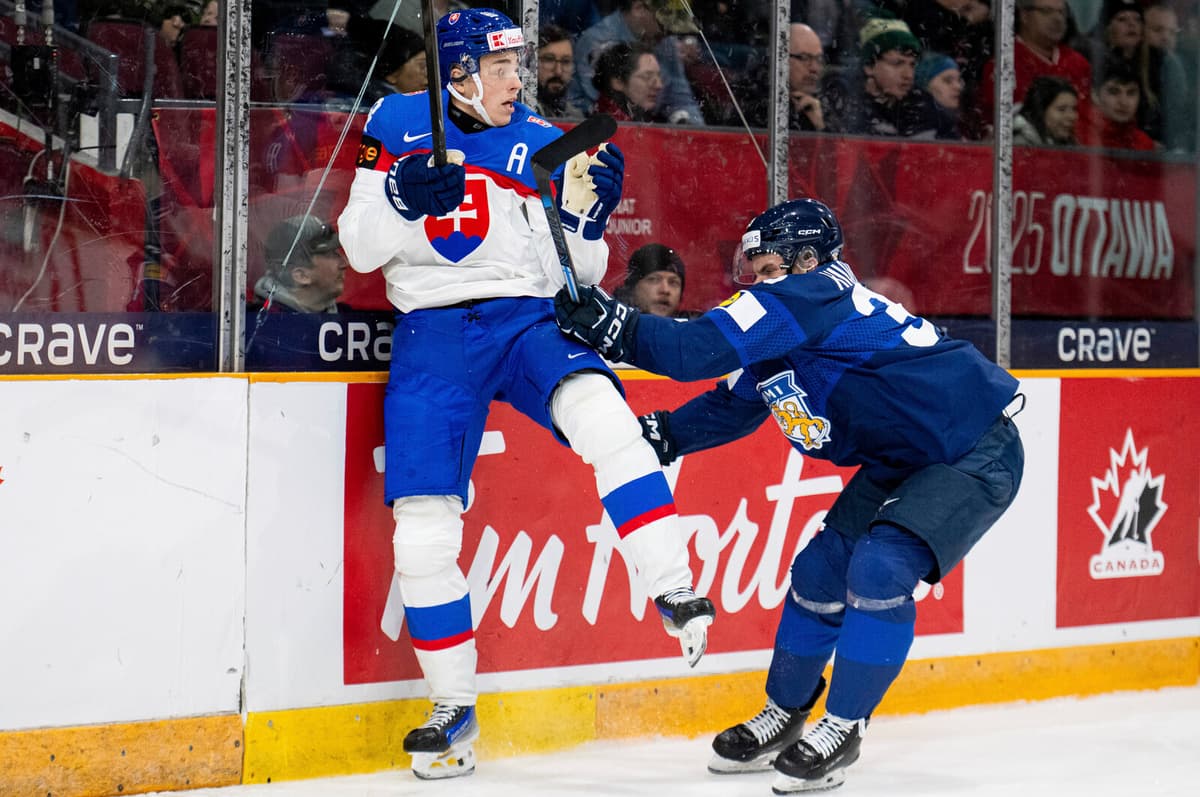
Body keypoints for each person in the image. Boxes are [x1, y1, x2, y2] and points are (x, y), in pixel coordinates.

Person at [336, 8, 715, 781]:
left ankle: (673, 586)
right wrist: (401, 196)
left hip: (526, 318)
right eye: (506, 66)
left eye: (521, 65)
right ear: (462, 70)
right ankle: (453, 707)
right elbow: (359, 247)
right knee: (421, 531)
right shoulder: (398, 120)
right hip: (433, 333)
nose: (522, 80)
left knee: (610, 422)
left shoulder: (546, 140)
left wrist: (586, 215)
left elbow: (579, 268)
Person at [553, 197, 1024, 793]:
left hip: (971, 448)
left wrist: (613, 324)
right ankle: (786, 714)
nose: (755, 279)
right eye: (752, 267)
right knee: (818, 575)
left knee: (880, 570)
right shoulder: (794, 317)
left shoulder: (814, 295)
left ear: (807, 259)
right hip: (907, 456)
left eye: (768, 264)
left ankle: (844, 726)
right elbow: (736, 404)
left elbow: (692, 352)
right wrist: (665, 435)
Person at [569, 0, 706, 124]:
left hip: (649, 125)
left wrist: (697, 134)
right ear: (639, 8)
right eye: (664, 24)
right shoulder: (596, 42)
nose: (669, 33)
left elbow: (681, 98)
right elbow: (601, 103)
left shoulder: (665, 41)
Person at [823, 15, 954, 139]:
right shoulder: (843, 103)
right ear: (869, 66)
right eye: (897, 64)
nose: (908, 75)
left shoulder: (926, 107)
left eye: (912, 65)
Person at [976, 0, 1091, 133]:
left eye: (1061, 12)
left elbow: (1086, 119)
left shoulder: (1078, 63)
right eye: (1046, 11)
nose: (1057, 18)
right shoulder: (1004, 63)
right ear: (1025, 16)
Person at [252, 215, 350, 313]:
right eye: (330, 255)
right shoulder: (255, 322)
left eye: (337, 253)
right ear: (301, 276)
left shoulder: (351, 318)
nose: (344, 264)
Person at [1078, 59, 1157, 149]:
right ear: (1095, 95)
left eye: (1131, 93)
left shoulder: (1143, 144)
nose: (1124, 102)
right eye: (1114, 92)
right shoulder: (1076, 137)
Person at [613, 243, 697, 318]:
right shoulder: (609, 328)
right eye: (654, 280)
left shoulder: (694, 330)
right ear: (632, 288)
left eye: (673, 282)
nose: (665, 290)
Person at [592, 42, 669, 122]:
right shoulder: (608, 128)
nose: (659, 85)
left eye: (659, 76)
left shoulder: (641, 117)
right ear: (618, 82)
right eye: (647, 77)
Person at [535, 24, 585, 120]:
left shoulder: (575, 118)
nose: (558, 71)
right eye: (549, 59)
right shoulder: (521, 114)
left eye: (566, 61)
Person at [1013, 75, 1080, 145]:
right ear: (1040, 111)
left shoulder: (1068, 144)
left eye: (1074, 109)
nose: (1072, 116)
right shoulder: (1020, 145)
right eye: (1062, 109)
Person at [788, 23, 828, 132]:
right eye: (804, 58)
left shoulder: (824, 103)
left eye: (819, 59)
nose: (814, 68)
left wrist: (821, 126)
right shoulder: (755, 102)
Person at [916, 52, 964, 138]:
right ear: (926, 86)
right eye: (948, 81)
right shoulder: (926, 127)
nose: (958, 87)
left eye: (958, 80)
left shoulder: (946, 123)